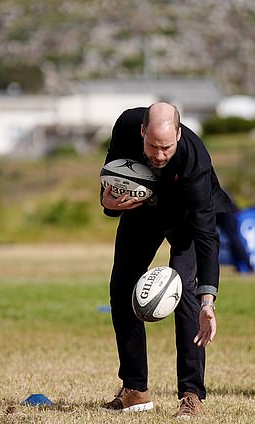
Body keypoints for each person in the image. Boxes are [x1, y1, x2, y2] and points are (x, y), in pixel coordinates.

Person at [100, 102, 235, 417]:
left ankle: (191, 395)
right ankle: (135, 390)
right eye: (152, 146)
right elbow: (111, 175)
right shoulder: (125, 126)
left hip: (187, 214)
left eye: (166, 147)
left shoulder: (195, 161)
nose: (159, 155)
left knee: (186, 290)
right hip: (144, 207)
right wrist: (107, 201)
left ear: (179, 134)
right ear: (142, 131)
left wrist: (208, 301)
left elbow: (206, 237)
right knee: (121, 288)